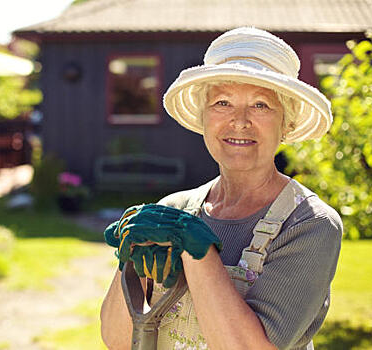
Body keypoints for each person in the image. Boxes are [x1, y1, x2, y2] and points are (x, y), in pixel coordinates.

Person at [100, 27, 343, 350]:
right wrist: (130, 266)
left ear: (287, 124)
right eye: (223, 102)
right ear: (204, 118)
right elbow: (118, 341)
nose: (239, 121)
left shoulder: (309, 225)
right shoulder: (173, 209)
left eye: (260, 105)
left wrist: (197, 253)